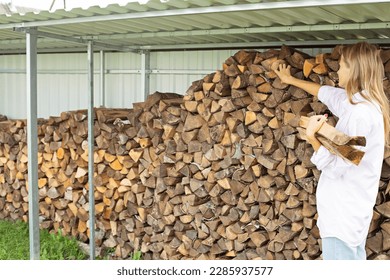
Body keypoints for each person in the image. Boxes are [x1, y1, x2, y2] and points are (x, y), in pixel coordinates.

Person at [274, 42, 390, 260]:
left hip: (342, 216)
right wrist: (290, 80)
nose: (338, 69)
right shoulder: (363, 105)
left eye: (343, 65)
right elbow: (330, 95)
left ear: (355, 70)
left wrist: (313, 137)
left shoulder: (359, 115)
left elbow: (338, 167)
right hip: (350, 215)